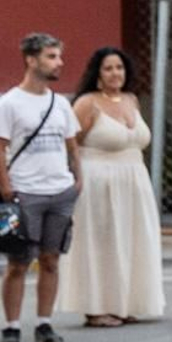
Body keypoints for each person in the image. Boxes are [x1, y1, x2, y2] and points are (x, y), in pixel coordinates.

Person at [58, 47, 165, 327]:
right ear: (97, 74)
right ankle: (96, 308)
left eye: (119, 67)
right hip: (98, 181)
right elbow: (70, 143)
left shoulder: (132, 100)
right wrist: (74, 177)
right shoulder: (86, 104)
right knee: (101, 242)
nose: (115, 73)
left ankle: (123, 303)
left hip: (134, 179)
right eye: (108, 68)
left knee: (131, 240)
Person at [0, 33, 80, 342]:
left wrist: (77, 179)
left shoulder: (60, 103)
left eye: (58, 57)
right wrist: (5, 186)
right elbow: (1, 148)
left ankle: (45, 323)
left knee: (51, 259)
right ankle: (12, 326)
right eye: (51, 56)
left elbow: (72, 145)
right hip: (25, 193)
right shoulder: (9, 103)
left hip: (59, 191)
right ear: (31, 60)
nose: (58, 63)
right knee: (19, 262)